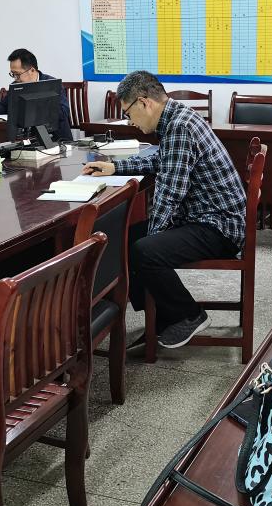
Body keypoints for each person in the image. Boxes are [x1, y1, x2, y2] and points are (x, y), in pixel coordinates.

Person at [81, 71, 245, 348]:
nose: (130, 122)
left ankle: (188, 315)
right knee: (125, 239)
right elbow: (161, 160)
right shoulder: (177, 117)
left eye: (129, 113)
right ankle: (160, 319)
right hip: (205, 216)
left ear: (144, 102)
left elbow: (169, 194)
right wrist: (116, 167)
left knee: (143, 250)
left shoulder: (180, 127)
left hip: (219, 226)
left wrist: (152, 238)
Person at [0, 48, 73, 141]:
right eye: (13, 74)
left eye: (17, 74)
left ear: (32, 70)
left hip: (57, 139)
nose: (15, 78)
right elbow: (4, 104)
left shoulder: (52, 84)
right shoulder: (16, 86)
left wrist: (37, 108)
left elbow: (64, 111)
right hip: (29, 140)